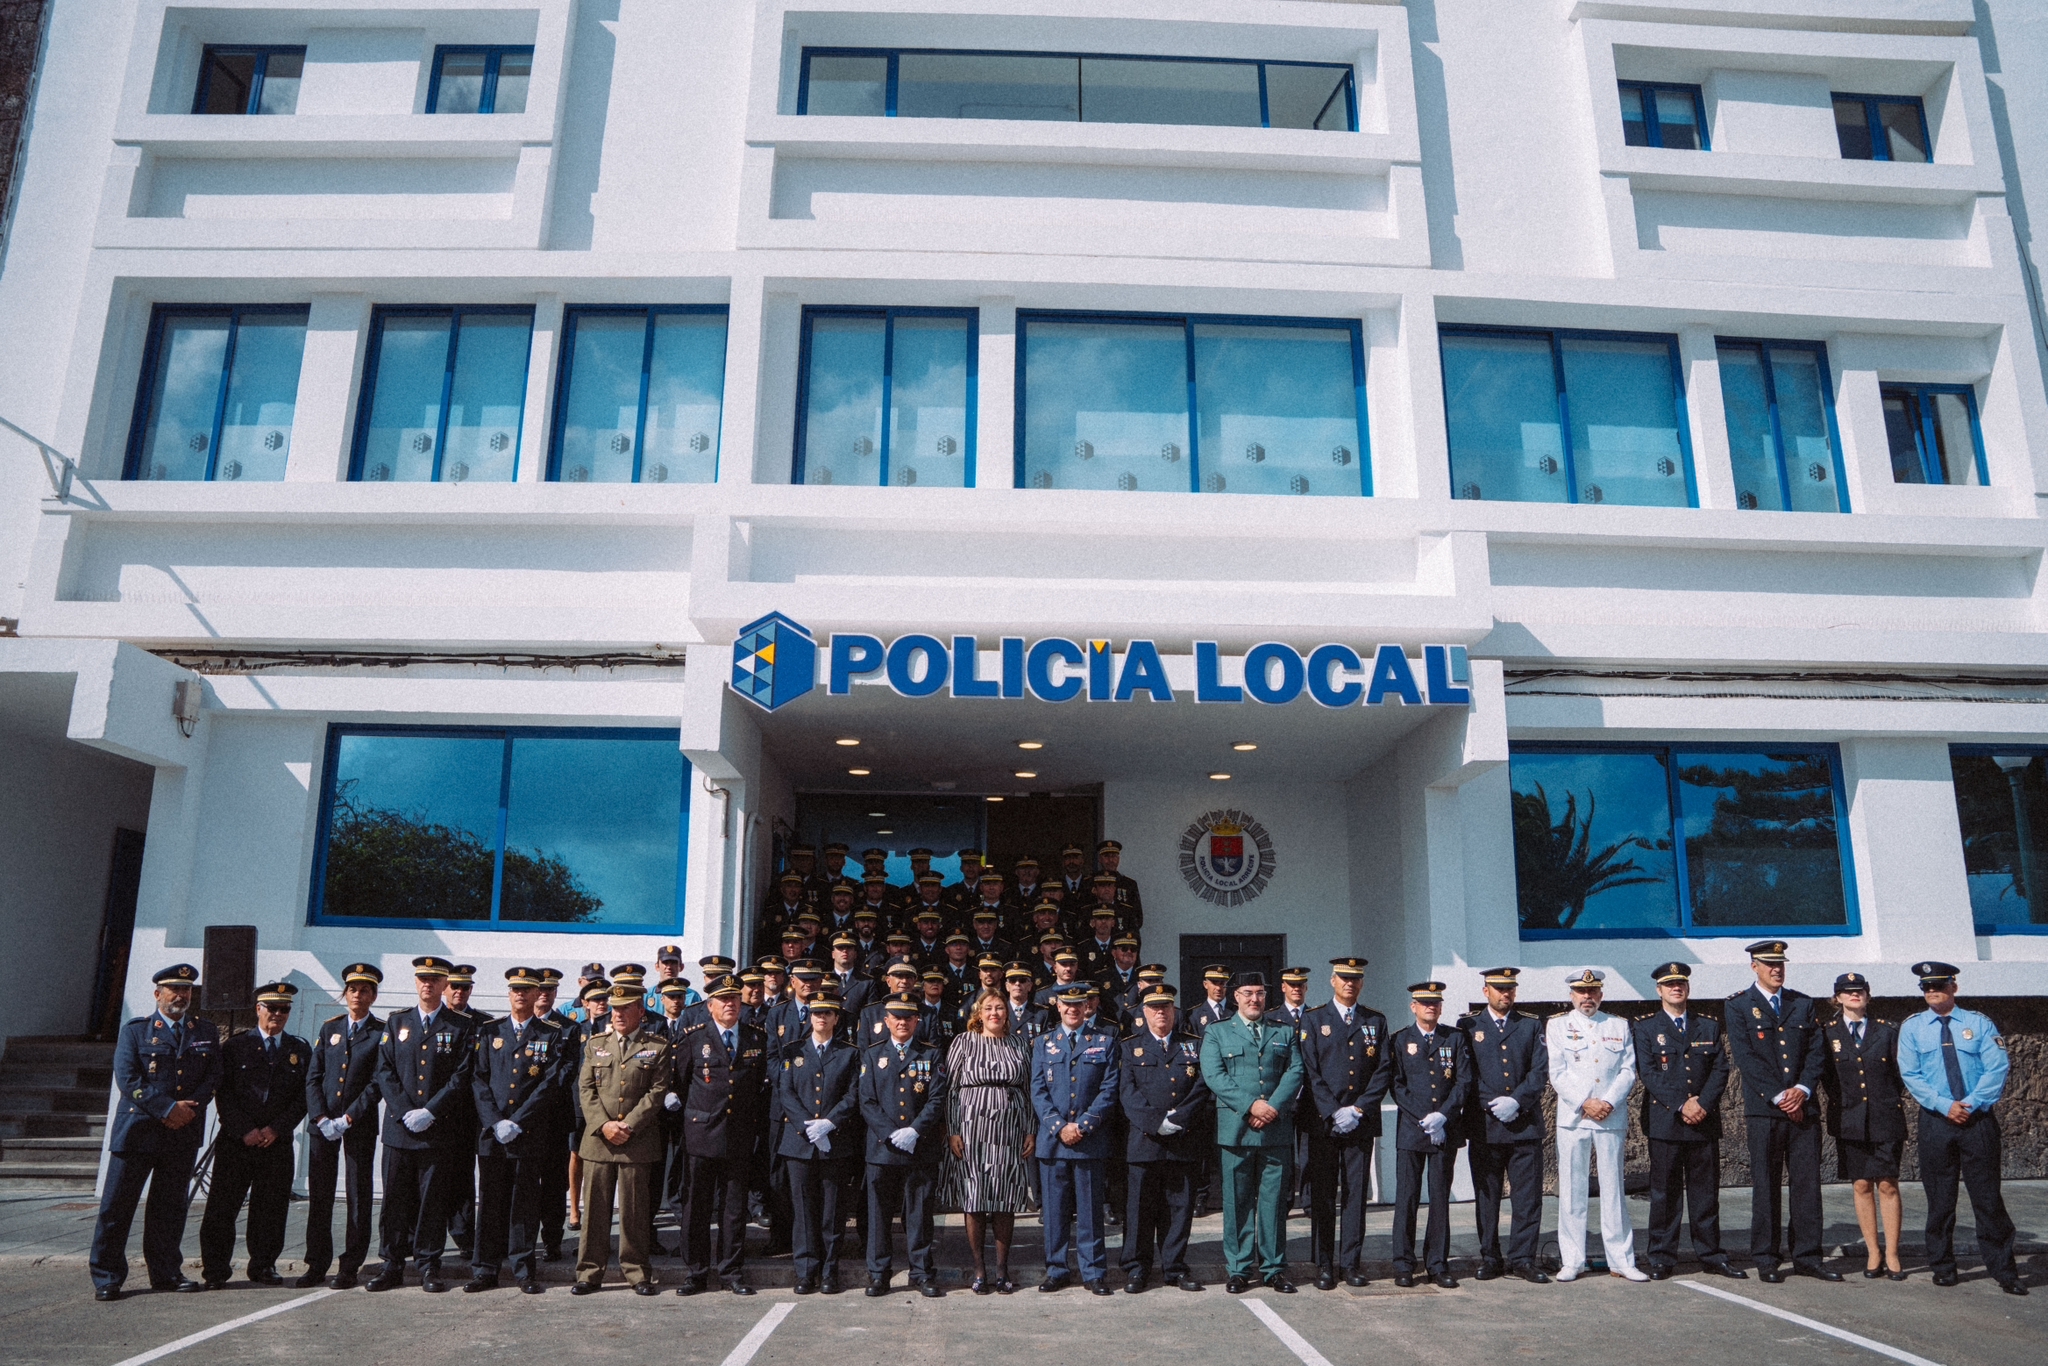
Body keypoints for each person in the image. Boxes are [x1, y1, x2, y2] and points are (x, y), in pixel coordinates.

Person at [90, 963, 219, 1301]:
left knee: (169, 1208)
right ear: (157, 993)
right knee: (117, 1206)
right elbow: (128, 1079)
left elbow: (213, 1077)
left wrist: (188, 1110)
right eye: (174, 988)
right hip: (138, 1132)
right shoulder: (135, 1031)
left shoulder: (204, 1031)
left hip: (182, 1133)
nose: (181, 995)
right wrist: (166, 1109)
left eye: (187, 989)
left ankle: (166, 1272)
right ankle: (107, 1276)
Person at [1897, 961, 2025, 1294]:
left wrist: (1969, 1103)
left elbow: (1996, 1068)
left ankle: (2004, 1270)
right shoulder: (1913, 1028)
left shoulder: (1979, 1024)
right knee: (1940, 1199)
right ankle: (1943, 1266)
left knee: (1987, 1198)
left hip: (1977, 1119)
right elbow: (1911, 1075)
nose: (1931, 992)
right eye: (1926, 988)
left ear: (1953, 987)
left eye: (1938, 986)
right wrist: (1944, 1105)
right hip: (1937, 1121)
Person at [1725, 939, 1837, 1283]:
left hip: (1804, 1108)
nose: (1777, 969)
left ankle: (1807, 1255)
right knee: (1766, 1185)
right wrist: (1778, 1096)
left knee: (1807, 1185)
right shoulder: (1739, 1006)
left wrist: (1802, 1090)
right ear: (1754, 966)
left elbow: (1816, 1052)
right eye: (1769, 964)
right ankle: (1767, 1257)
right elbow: (1747, 1058)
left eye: (1781, 964)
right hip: (1765, 1110)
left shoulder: (1801, 1004)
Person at [368, 955, 480, 1294]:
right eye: (422, 979)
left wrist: (430, 1111)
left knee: (433, 1200)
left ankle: (429, 1265)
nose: (428, 984)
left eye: (435, 979)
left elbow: (462, 1076)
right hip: (399, 1130)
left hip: (438, 1129)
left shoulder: (460, 1026)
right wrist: (404, 1111)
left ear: (445, 984)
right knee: (395, 1200)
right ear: (416, 983)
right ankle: (391, 1264)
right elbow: (384, 1071)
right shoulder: (396, 1022)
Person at [1632, 962, 1741, 1280]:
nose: (1675, 988)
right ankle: (1662, 1256)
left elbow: (1721, 1069)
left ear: (1688, 988)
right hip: (1667, 1121)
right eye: (1669, 984)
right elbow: (1649, 1073)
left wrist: (1702, 1104)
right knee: (1664, 1193)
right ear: (1659, 990)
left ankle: (1711, 1253)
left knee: (1705, 1193)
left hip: (1703, 1120)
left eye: (1680, 983)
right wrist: (1682, 1104)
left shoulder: (1707, 1026)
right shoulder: (1646, 1028)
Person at [199, 981, 309, 1288]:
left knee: (271, 1209)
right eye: (271, 1008)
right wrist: (245, 1130)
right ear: (257, 1009)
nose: (277, 1014)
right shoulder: (235, 1047)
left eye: (283, 1009)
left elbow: (302, 1098)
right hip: (237, 1142)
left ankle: (263, 1265)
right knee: (222, 1208)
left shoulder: (298, 1049)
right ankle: (216, 1271)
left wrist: (277, 1128)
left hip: (277, 1142)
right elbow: (224, 1093)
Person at [1201, 970, 1303, 1294]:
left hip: (1276, 1128)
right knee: (1237, 1201)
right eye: (1247, 993)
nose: (1254, 999)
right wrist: (1251, 1106)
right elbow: (1215, 1076)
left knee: (1273, 1204)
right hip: (1236, 1131)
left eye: (1259, 993)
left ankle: (1274, 1268)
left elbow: (1296, 1070)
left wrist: (1271, 1106)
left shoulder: (1284, 1032)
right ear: (1235, 997)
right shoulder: (1217, 1033)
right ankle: (1239, 1268)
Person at [670, 977, 770, 1296]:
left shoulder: (756, 1038)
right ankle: (696, 1272)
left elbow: (759, 1088)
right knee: (696, 1206)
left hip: (739, 1135)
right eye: (723, 999)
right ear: (709, 1005)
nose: (730, 1004)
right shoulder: (693, 1037)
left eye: (735, 999)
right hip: (701, 1134)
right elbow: (680, 1084)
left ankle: (730, 1270)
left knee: (733, 1208)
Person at [467, 967, 565, 1294]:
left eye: (527, 990)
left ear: (538, 994)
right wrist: (496, 1121)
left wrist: (518, 1121)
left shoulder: (550, 1034)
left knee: (524, 1204)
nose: (521, 995)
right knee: (491, 1202)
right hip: (493, 1134)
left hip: (528, 1133)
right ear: (508, 993)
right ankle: (484, 1269)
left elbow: (549, 1084)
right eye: (515, 990)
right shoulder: (488, 1030)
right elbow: (478, 1080)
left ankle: (523, 1270)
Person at [572, 981, 673, 1296]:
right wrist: (603, 1125)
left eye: (625, 1008)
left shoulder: (657, 1046)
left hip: (636, 1140)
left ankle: (637, 1273)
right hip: (599, 1140)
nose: (617, 1014)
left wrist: (627, 1125)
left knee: (634, 1212)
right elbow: (585, 1089)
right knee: (596, 1212)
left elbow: (657, 1093)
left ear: (640, 1011)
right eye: (614, 1008)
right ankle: (589, 1273)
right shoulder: (595, 1044)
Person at [1300, 956, 1391, 1290]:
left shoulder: (1375, 1021)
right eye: (1343, 978)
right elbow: (1309, 1070)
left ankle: (1351, 1262)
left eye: (1356, 979)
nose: (1349, 983)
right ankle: (1324, 1264)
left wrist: (1358, 1110)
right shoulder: (1313, 1020)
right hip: (1324, 1123)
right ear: (1332, 981)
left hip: (1360, 1123)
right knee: (1323, 1194)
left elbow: (1383, 1070)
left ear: (1362, 983)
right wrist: (1333, 1110)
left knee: (1355, 1195)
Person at [1547, 969, 1642, 1283]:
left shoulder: (1618, 1024)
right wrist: (1586, 1102)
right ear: (1571, 995)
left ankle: (1621, 1260)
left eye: (1593, 992)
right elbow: (1557, 1073)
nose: (1587, 997)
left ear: (1601, 994)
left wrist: (1608, 1102)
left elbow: (1628, 1071)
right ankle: (1573, 1260)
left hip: (1609, 1116)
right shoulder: (1557, 1025)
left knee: (1613, 1190)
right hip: (1575, 1117)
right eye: (1580, 992)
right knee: (1573, 1191)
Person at [1459, 966, 1549, 1285]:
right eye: (1498, 988)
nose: (1505, 994)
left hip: (1524, 1126)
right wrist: (1491, 1103)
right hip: (1485, 1125)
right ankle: (1490, 1257)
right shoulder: (1468, 1025)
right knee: (1488, 1196)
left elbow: (1539, 1072)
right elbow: (1465, 1073)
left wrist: (1518, 1101)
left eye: (1510, 988)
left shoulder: (1530, 1024)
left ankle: (1523, 1258)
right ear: (1486, 991)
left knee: (1527, 1197)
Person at [1118, 982, 1210, 1293]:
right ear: (1144, 1013)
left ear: (1175, 1011)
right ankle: (1137, 1268)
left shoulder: (1193, 1045)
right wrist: (1156, 1123)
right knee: (1141, 1209)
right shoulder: (1130, 1046)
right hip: (1145, 1141)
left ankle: (1174, 1267)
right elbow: (1127, 1093)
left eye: (1166, 1006)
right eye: (1155, 1007)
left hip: (1183, 1139)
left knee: (1179, 1207)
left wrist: (1179, 1120)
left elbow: (1202, 1088)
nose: (1161, 1011)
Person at [1029, 984, 1120, 1294]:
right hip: (1054, 1142)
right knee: (1054, 1213)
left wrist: (1082, 1126)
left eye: (1079, 1004)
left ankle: (1093, 1272)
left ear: (1087, 1007)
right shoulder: (1043, 1044)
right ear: (1058, 1006)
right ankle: (1056, 1269)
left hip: (1088, 1140)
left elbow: (1109, 1090)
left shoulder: (1105, 1043)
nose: (1073, 1009)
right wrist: (1059, 1126)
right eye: (1067, 1004)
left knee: (1091, 1212)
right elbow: (1038, 1091)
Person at [301, 962, 386, 1289]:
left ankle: (350, 1265)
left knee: (357, 1195)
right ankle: (316, 1264)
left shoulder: (381, 1032)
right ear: (345, 993)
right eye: (353, 989)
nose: (358, 995)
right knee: (319, 1196)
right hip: (323, 1125)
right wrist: (321, 1118)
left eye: (365, 990)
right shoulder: (329, 1029)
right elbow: (314, 1077)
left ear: (374, 995)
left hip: (358, 1123)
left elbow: (377, 1082)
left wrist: (349, 1117)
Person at [859, 992, 950, 1297]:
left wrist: (914, 1130)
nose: (902, 1022)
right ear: (886, 1021)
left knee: (920, 1213)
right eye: (896, 1017)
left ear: (916, 1021)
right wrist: (890, 1133)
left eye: (908, 1017)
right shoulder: (872, 1055)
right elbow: (867, 1101)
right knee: (879, 1215)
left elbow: (937, 1098)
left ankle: (922, 1272)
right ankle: (879, 1273)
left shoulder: (931, 1054)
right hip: (882, 1149)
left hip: (919, 1147)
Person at [946, 990, 1036, 1294]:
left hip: (1010, 1131)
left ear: (1007, 1013)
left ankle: (1001, 1269)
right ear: (979, 1013)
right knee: (974, 1198)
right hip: (972, 1130)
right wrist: (953, 1130)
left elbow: (1028, 1090)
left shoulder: (1020, 1044)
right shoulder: (963, 1042)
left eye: (1000, 1008)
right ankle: (979, 1269)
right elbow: (952, 1090)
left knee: (1004, 1199)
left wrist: (1030, 1130)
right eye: (989, 1008)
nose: (995, 1013)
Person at [1821, 971, 1908, 1282]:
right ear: (1838, 998)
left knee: (1887, 1184)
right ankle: (1873, 1250)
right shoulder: (1827, 1032)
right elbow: (1827, 1078)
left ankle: (1893, 1252)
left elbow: (1901, 1076)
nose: (1854, 995)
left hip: (1885, 1118)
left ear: (1868, 996)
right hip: (1849, 1119)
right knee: (1861, 1185)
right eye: (1847, 991)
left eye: (1860, 991)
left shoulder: (1887, 1031)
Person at [776, 988, 861, 1295]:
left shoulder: (850, 1053)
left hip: (835, 1143)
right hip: (798, 1144)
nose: (821, 1018)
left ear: (836, 1018)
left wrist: (828, 1123)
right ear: (809, 1017)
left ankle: (829, 1270)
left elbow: (853, 1094)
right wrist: (805, 1126)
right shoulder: (792, 1051)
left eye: (827, 1013)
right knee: (803, 1212)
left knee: (832, 1212)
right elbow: (785, 1092)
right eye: (816, 1013)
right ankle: (806, 1270)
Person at [1389, 980, 1473, 1289]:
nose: (1430, 1007)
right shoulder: (1400, 1040)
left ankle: (1437, 1263)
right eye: (1424, 1002)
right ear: (1413, 1006)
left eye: (1435, 1003)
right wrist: (1423, 1118)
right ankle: (1403, 1264)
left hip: (1444, 1130)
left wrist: (1443, 1116)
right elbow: (1396, 1085)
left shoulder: (1455, 1038)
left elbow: (1464, 1082)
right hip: (1412, 1131)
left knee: (1439, 1198)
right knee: (1407, 1198)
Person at [534, 967, 580, 1263]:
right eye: (539, 989)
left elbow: (566, 1070)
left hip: (553, 1117)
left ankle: (552, 1240)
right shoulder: (511, 1025)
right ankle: (521, 1241)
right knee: (522, 1185)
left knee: (553, 1185)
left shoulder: (568, 1028)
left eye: (550, 990)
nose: (544, 994)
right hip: (521, 1122)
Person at [1094, 839, 1144, 931]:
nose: (1110, 860)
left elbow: (1138, 918)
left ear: (1118, 859)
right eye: (1106, 856)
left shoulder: (1129, 884)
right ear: (1099, 859)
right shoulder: (1090, 882)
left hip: (1121, 937)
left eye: (1114, 856)